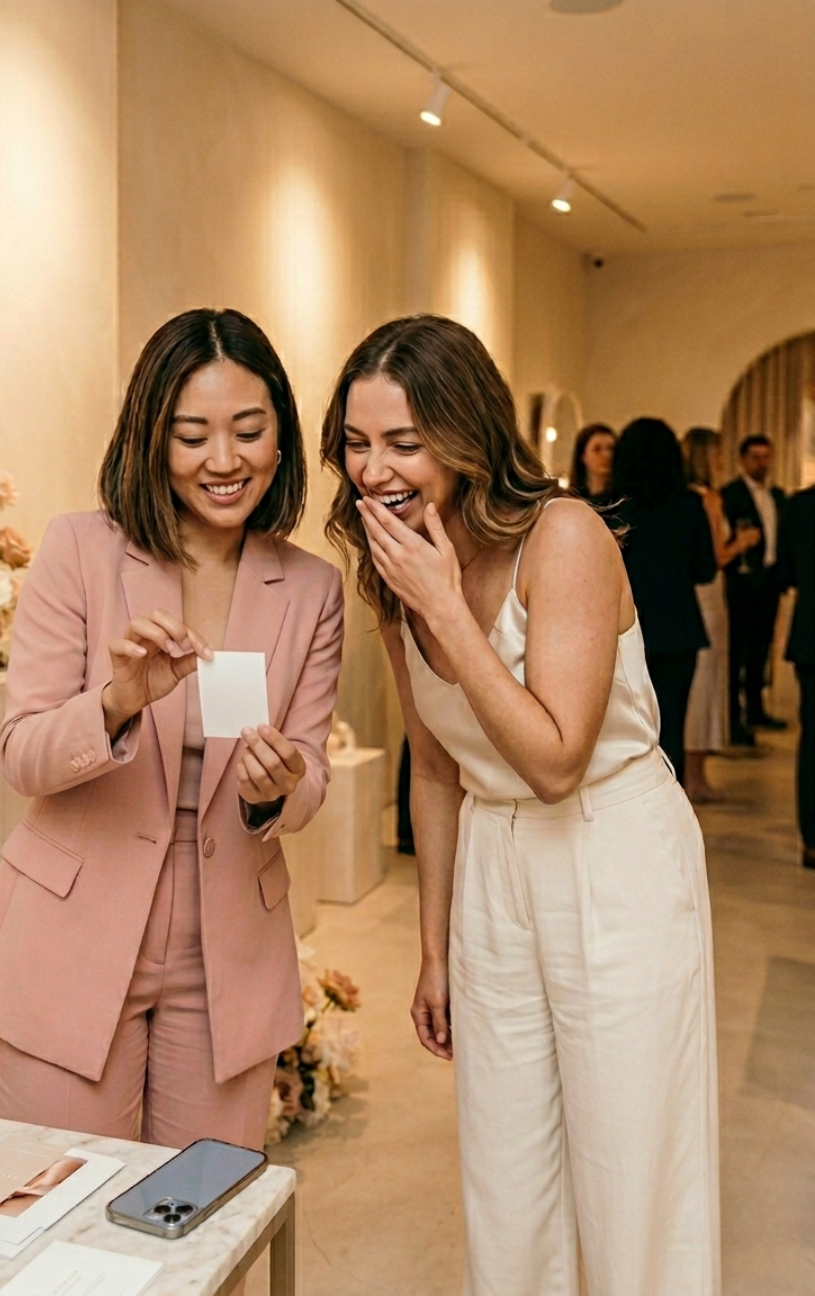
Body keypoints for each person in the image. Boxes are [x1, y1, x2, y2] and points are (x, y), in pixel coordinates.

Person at [322, 315, 719, 1296]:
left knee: (632, 1166)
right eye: (358, 442)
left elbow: (554, 763)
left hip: (611, 850)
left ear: (466, 434)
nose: (375, 471)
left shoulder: (566, 535)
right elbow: (435, 767)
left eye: (404, 444)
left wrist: (449, 609)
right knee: (507, 1168)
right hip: (493, 869)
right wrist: (433, 948)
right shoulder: (392, 566)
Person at [0, 308, 344, 1153]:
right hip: (71, 941)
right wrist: (114, 701)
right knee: (62, 1218)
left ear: (281, 436)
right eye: (192, 435)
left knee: (203, 1224)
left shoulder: (312, 588)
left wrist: (277, 789)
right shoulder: (80, 551)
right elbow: (23, 753)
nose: (224, 460)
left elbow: (310, 771)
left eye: (248, 430)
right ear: (151, 438)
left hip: (226, 954)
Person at [613, 418, 717, 783]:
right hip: (678, 627)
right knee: (670, 725)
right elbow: (706, 570)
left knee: (624, 726)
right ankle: (671, 802)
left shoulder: (611, 506)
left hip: (622, 627)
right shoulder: (689, 505)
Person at [681, 427, 761, 801]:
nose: (719, 462)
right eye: (715, 455)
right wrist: (742, 542)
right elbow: (715, 558)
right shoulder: (707, 499)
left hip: (695, 595)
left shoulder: (683, 497)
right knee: (705, 682)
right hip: (709, 596)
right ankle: (695, 774)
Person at [721, 434, 788, 744]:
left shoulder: (778, 496)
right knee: (739, 649)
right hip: (741, 583)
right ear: (743, 460)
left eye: (766, 456)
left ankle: (757, 709)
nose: (762, 463)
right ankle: (734, 718)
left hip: (769, 582)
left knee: (762, 648)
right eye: (756, 457)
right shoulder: (729, 495)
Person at [778, 484, 815, 868]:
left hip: (810, 631)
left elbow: (785, 571)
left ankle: (812, 839)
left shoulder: (800, 505)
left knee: (813, 738)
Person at [569, 422, 616, 506]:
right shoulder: (572, 501)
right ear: (583, 456)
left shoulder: (622, 501)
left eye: (611, 449)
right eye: (597, 449)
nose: (606, 455)